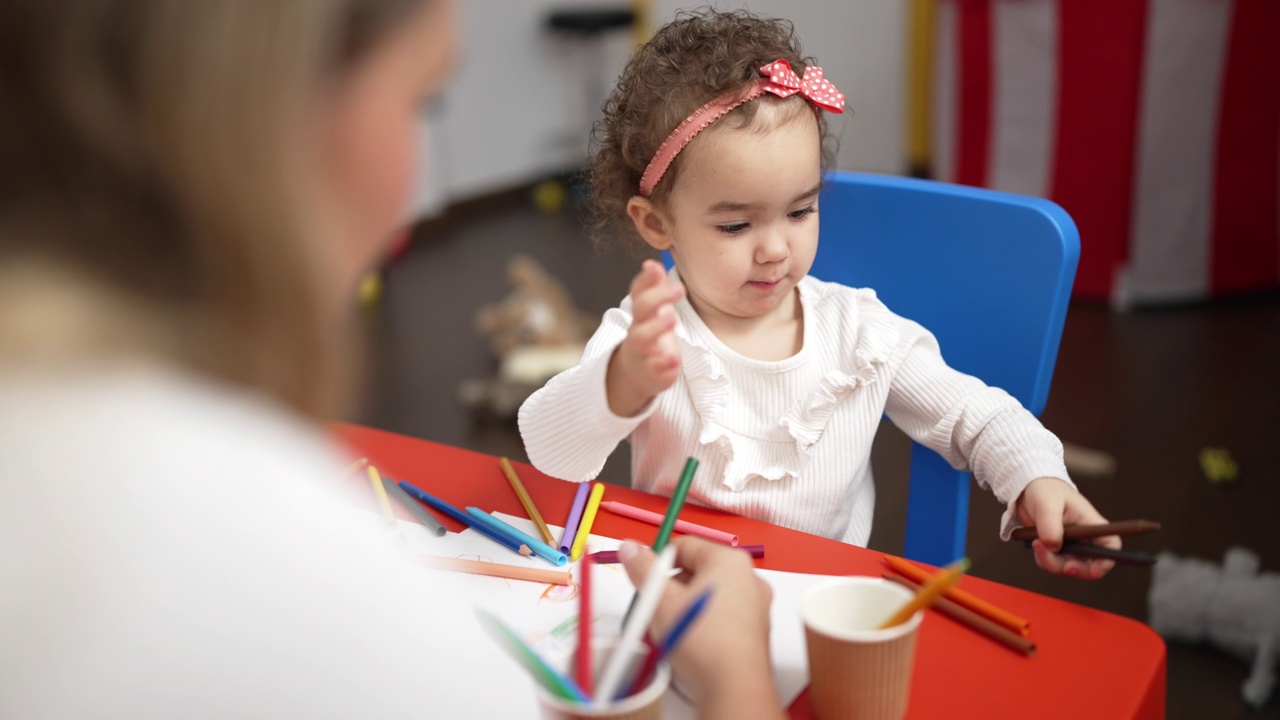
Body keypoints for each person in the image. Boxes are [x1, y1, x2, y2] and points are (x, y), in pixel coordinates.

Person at [0, 1, 782, 717]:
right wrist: (740, 686)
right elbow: (551, 439)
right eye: (420, 101)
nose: (774, 249)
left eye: (802, 210)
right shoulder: (318, 601)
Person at [519, 8, 1120, 579]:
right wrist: (619, 385)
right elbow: (550, 453)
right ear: (656, 224)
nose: (776, 249)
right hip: (678, 601)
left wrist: (1040, 480)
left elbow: (975, 416)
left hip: (819, 606)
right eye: (736, 225)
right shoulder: (644, 341)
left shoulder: (859, 333)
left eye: (800, 210)